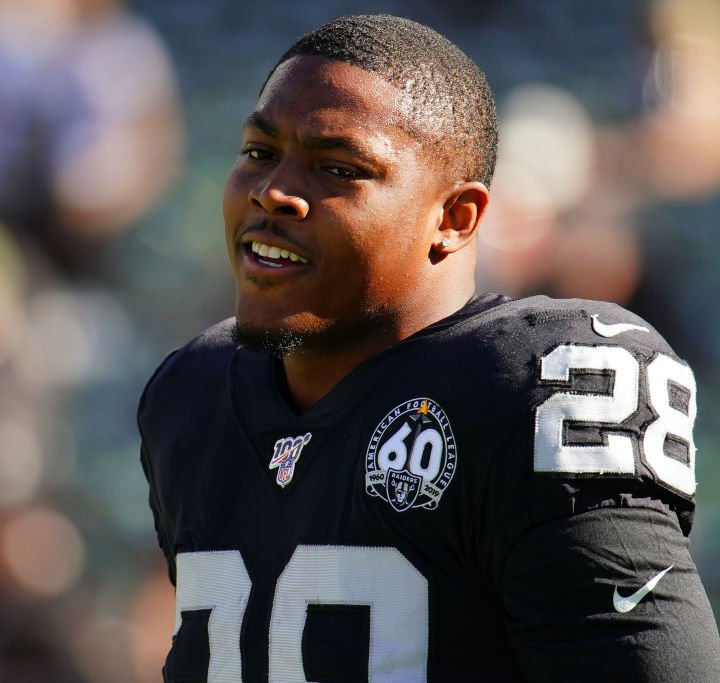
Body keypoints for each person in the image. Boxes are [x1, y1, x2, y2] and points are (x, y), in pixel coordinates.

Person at [137, 13, 720, 683]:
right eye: (259, 152)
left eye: (338, 167)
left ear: (455, 218)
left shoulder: (524, 386)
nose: (274, 191)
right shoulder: (192, 396)